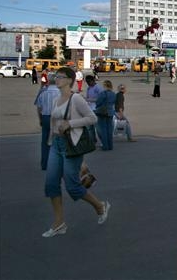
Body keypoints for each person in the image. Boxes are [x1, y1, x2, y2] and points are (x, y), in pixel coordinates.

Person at [42, 67, 110, 238]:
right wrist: (50, 142)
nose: (56, 78)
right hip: (56, 145)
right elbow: (53, 123)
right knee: (51, 184)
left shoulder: (76, 99)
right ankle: (59, 223)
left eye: (60, 76)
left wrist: (71, 123)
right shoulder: (56, 100)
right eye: (55, 76)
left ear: (69, 80)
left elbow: (92, 118)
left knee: (72, 186)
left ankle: (100, 206)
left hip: (70, 145)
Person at [35, 73, 60, 170]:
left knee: (45, 141)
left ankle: (44, 163)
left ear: (48, 81)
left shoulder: (43, 92)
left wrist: (40, 119)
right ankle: (56, 164)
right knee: (57, 141)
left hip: (45, 117)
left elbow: (39, 107)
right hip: (57, 118)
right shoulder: (60, 92)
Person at [95, 80, 116, 151]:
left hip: (102, 112)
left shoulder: (103, 93)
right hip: (110, 112)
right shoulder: (113, 94)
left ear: (105, 85)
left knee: (103, 129)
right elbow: (113, 102)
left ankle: (105, 146)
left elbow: (98, 102)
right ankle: (110, 146)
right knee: (109, 129)